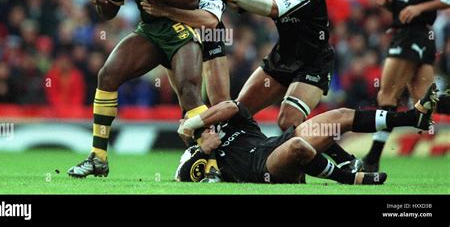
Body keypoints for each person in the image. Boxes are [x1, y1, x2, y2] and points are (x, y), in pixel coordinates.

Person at [68, 0, 212, 178]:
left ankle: (213, 164)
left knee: (189, 91)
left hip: (180, 28)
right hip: (149, 31)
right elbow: (110, 13)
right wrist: (102, 2)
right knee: (107, 76)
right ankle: (98, 157)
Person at [216, 0, 361, 171]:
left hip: (312, 62)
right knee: (236, 113)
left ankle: (344, 160)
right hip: (282, 58)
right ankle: (240, 160)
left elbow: (272, 7)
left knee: (288, 121)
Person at [175, 83, 442, 184]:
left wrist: (193, 122)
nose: (208, 122)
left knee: (338, 116)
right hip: (263, 168)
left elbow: (230, 105)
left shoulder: (236, 123)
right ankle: (349, 177)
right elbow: (184, 177)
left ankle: (411, 117)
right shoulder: (196, 154)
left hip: (275, 144)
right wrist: (204, 149)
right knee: (298, 147)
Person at [363, 0, 450, 171]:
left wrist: (419, 8)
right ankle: (371, 160)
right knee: (424, 101)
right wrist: (388, 3)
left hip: (413, 35)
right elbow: (401, 7)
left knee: (386, 95)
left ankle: (371, 161)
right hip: (413, 36)